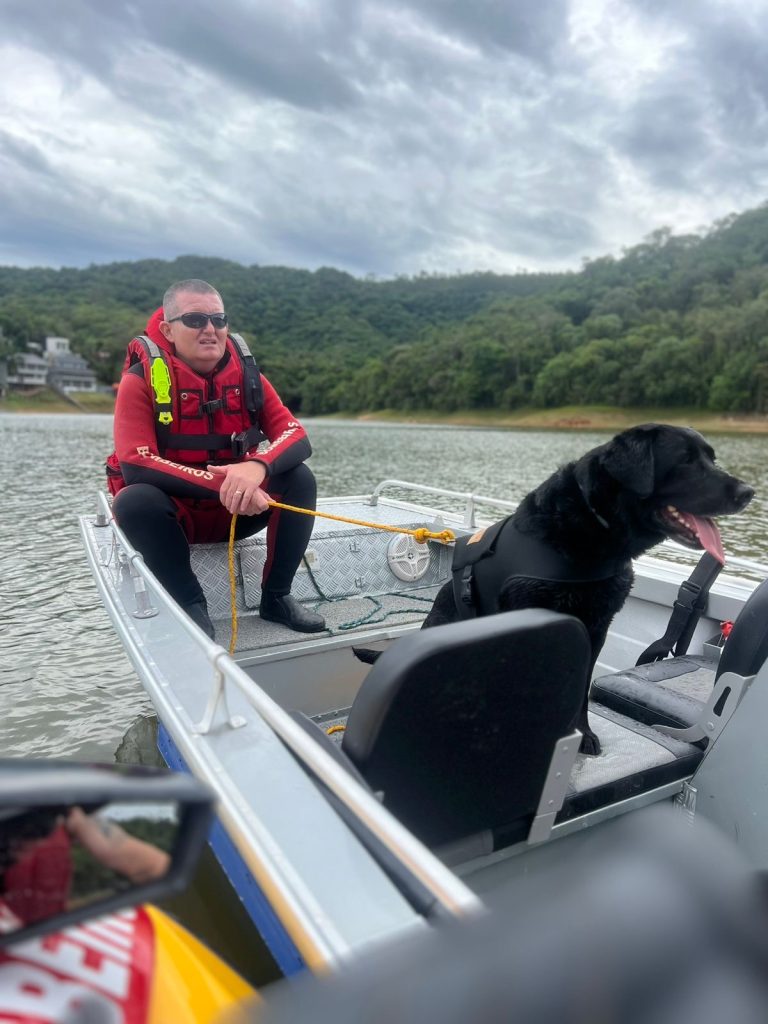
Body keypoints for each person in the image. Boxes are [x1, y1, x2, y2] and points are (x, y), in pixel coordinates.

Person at [107, 279, 325, 637]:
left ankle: (277, 597)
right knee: (134, 500)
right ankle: (191, 605)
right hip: (177, 521)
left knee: (299, 478)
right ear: (168, 329)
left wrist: (256, 468)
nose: (209, 329)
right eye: (194, 320)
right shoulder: (140, 380)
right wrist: (230, 483)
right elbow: (136, 463)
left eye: (218, 320)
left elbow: (296, 435)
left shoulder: (249, 376)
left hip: (241, 514)